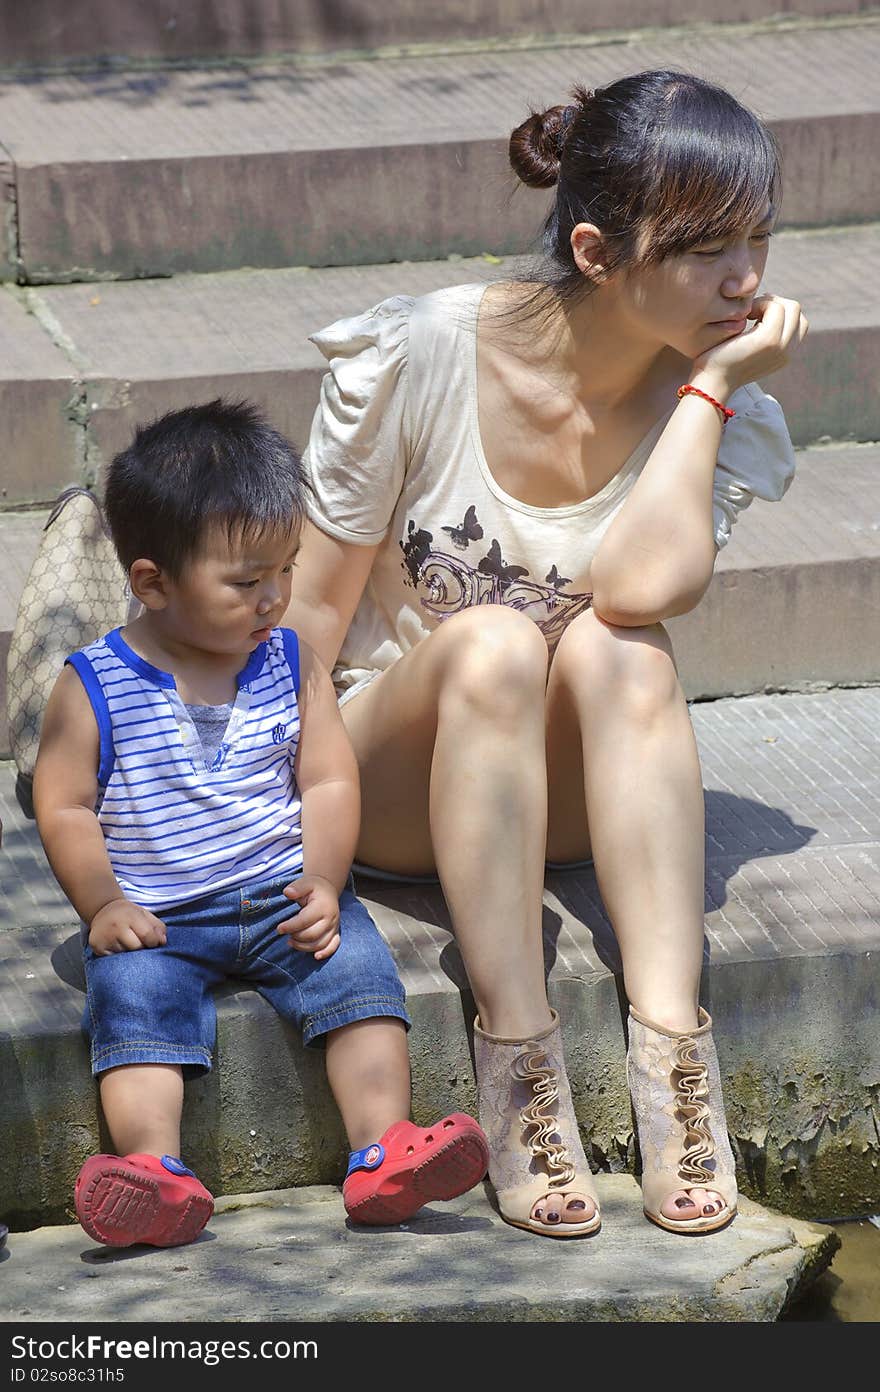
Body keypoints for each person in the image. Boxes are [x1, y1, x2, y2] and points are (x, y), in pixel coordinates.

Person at [282, 69, 809, 1239]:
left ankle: (675, 1066)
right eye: (706, 248)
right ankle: (518, 1062)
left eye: (759, 239)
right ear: (594, 248)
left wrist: (712, 388)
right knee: (490, 646)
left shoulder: (716, 401)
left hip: (554, 794)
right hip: (397, 780)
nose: (746, 279)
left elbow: (638, 589)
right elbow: (311, 620)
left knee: (626, 651)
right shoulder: (419, 354)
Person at [32, 399, 489, 1249]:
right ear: (152, 582)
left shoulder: (290, 660)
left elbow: (326, 778)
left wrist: (323, 876)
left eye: (284, 571)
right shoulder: (95, 682)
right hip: (157, 917)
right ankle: (154, 1173)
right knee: (134, 1007)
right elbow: (63, 805)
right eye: (245, 582)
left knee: (360, 985)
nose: (273, 598)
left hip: (284, 894)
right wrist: (102, 904)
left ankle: (383, 1148)